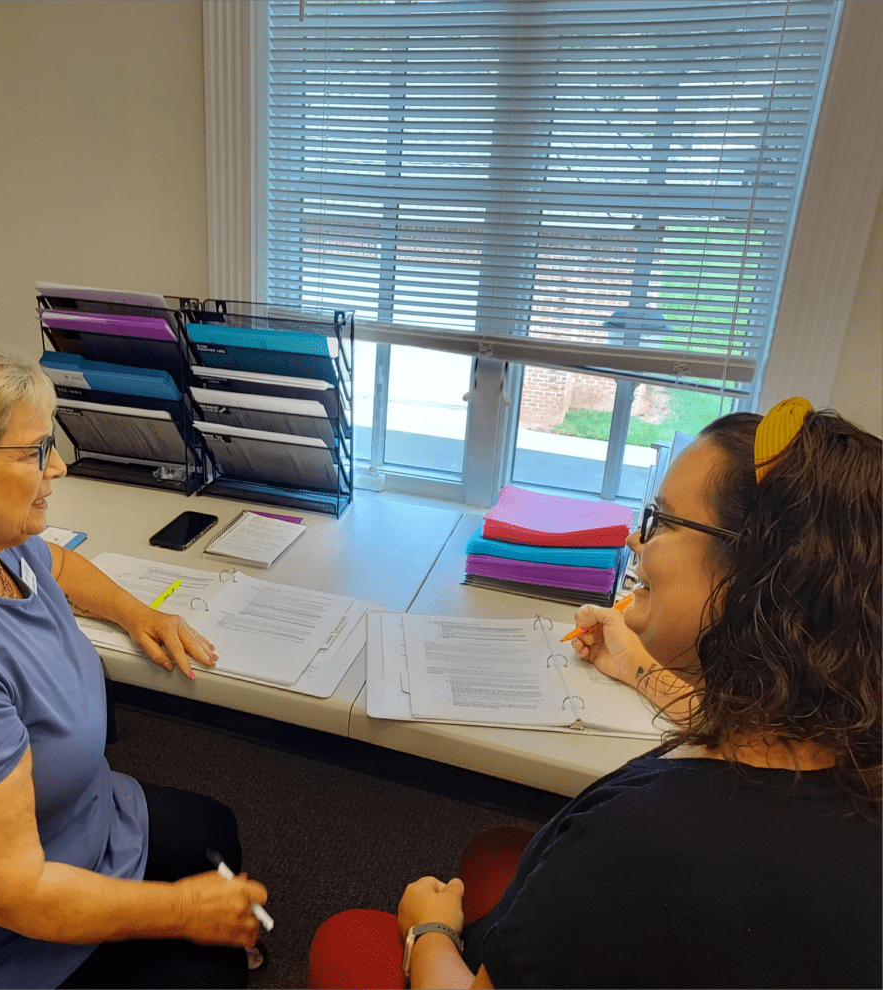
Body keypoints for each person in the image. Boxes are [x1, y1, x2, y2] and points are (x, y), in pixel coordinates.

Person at [308, 399, 882, 990]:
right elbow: (744, 736)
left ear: (753, 572)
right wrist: (636, 665)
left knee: (348, 939)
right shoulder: (845, 753)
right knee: (495, 853)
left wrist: (428, 933)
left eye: (662, 521)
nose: (637, 539)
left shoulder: (639, 843)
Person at [0, 335, 269, 989]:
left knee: (209, 827)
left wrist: (139, 613)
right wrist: (179, 911)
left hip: (75, 822)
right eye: (34, 453)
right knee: (202, 972)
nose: (57, 469)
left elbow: (61, 564)